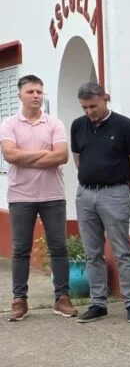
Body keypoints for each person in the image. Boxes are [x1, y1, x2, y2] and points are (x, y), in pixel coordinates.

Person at [0, 75, 77, 321]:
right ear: (19, 95)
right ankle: (19, 300)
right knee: (21, 249)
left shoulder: (54, 124)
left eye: (39, 91)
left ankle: (62, 298)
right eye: (31, 91)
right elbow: (10, 155)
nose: (36, 96)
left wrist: (28, 157)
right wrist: (45, 153)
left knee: (59, 248)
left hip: (52, 195)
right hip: (20, 196)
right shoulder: (9, 124)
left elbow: (61, 156)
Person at [71, 83, 130, 324]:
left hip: (114, 193)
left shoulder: (124, 125)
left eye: (93, 106)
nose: (89, 111)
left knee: (122, 250)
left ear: (106, 99)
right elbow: (78, 160)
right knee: (92, 253)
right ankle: (98, 304)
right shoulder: (78, 125)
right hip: (85, 195)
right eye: (85, 107)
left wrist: (122, 190)